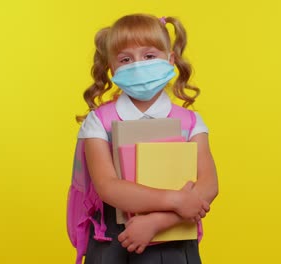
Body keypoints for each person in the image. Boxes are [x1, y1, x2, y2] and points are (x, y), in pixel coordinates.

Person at [76, 13, 218, 264]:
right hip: (113, 242)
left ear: (170, 59)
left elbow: (208, 185)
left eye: (149, 56)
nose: (138, 65)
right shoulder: (99, 121)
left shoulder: (191, 123)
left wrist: (157, 222)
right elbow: (107, 186)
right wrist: (174, 200)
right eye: (125, 59)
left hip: (174, 241)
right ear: (111, 67)